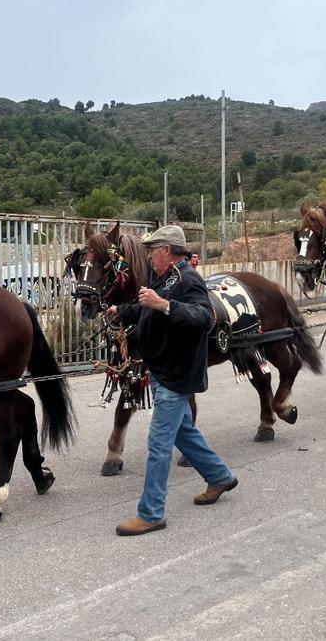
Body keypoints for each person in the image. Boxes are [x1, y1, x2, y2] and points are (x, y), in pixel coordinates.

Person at [106, 225, 237, 536]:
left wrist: (164, 305)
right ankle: (219, 476)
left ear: (167, 250)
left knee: (159, 443)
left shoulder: (188, 278)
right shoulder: (164, 278)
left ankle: (151, 513)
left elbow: (205, 318)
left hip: (177, 374)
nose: (149, 256)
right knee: (183, 432)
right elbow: (147, 307)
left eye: (153, 250)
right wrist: (122, 311)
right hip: (163, 369)